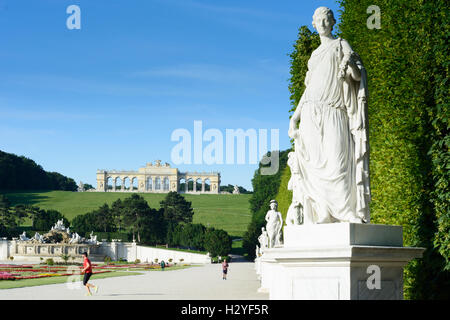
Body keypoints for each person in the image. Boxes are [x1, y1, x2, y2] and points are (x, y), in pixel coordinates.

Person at [288, 6, 370, 224]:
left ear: (333, 22)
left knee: (338, 160)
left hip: (334, 110)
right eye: (318, 20)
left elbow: (356, 76)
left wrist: (350, 64)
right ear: (314, 24)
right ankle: (323, 210)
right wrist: (295, 117)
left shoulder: (341, 44)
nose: (322, 23)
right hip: (310, 113)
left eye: (326, 19)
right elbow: (308, 89)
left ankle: (345, 211)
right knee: (314, 164)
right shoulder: (314, 56)